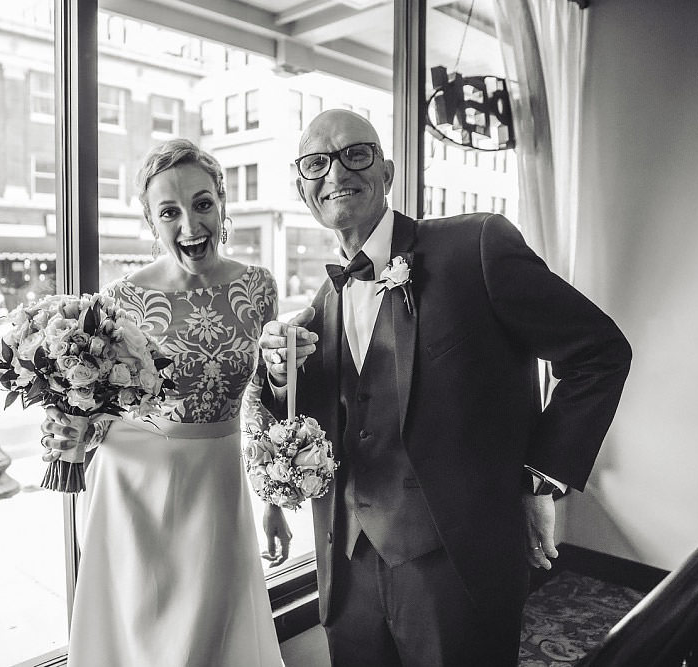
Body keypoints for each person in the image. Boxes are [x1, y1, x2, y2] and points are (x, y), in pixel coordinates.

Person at [258, 109, 632, 666]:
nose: (336, 172)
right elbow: (321, 419)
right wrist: (277, 376)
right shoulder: (318, 307)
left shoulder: (475, 246)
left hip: (459, 561)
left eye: (355, 154)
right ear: (302, 189)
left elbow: (600, 352)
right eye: (317, 163)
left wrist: (540, 480)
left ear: (386, 172)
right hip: (348, 565)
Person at [40, 138, 283, 667]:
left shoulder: (260, 288)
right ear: (151, 221)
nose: (191, 227)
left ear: (222, 203)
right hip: (136, 490)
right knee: (144, 643)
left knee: (213, 637)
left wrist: (272, 501)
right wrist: (74, 434)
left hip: (218, 484)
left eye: (202, 204)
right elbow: (98, 409)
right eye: (170, 212)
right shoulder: (119, 299)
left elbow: (262, 400)